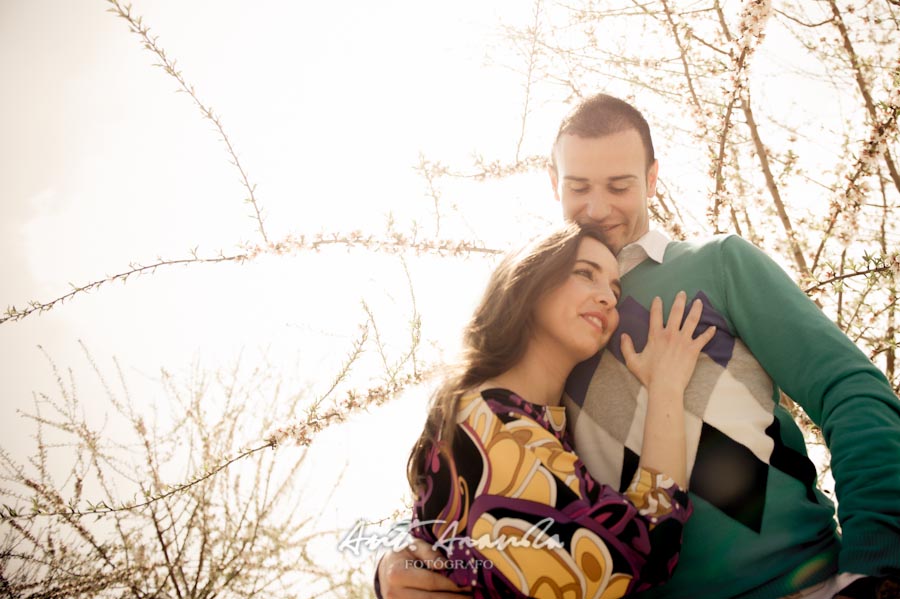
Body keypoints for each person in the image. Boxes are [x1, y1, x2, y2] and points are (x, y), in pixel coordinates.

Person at [376, 94, 900, 599]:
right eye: (578, 186)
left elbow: (849, 389)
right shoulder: (541, 320)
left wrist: (876, 563)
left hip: (801, 581)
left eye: (620, 185)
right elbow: (492, 466)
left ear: (652, 179)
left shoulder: (718, 265)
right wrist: (399, 552)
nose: (597, 207)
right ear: (553, 181)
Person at [398, 222, 715, 598]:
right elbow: (639, 553)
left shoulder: (515, 417)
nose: (609, 299)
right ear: (528, 282)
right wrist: (666, 387)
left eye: (615, 289)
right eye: (585, 274)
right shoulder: (488, 420)